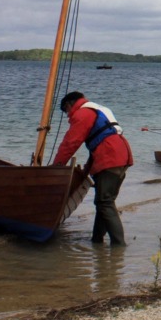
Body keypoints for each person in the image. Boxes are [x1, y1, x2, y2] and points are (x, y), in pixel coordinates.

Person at [53, 91, 134, 246]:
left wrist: (57, 166)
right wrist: (88, 169)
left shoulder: (83, 113)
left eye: (66, 111)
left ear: (70, 105)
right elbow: (100, 139)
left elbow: (71, 143)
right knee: (103, 202)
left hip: (110, 157)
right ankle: (97, 241)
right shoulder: (97, 110)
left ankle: (119, 246)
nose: (67, 114)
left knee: (105, 202)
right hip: (121, 155)